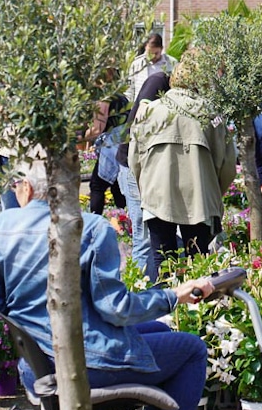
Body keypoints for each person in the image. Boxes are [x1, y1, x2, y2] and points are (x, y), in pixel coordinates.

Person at [0, 159, 214, 410]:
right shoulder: (90, 228)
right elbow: (116, 309)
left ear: (27, 188)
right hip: (85, 364)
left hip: (36, 366)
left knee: (159, 329)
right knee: (193, 349)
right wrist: (173, 296)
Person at [130, 51, 236, 282]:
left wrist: (145, 189)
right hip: (199, 197)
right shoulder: (212, 115)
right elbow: (227, 165)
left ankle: (162, 310)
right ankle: (197, 314)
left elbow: (134, 158)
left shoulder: (149, 110)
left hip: (157, 195)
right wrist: (214, 193)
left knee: (161, 258)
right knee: (198, 258)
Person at [116, 70, 171, 275]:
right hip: (132, 163)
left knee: (151, 234)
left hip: (147, 165)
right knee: (143, 235)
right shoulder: (158, 80)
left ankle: (148, 284)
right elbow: (140, 115)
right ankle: (138, 289)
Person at [83, 80, 128, 215]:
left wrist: (77, 137)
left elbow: (97, 129)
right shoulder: (117, 93)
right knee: (116, 185)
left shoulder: (104, 97)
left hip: (114, 144)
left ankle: (94, 222)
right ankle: (126, 222)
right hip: (124, 142)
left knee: (97, 185)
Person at [125, 33, 177, 101]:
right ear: (145, 48)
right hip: (140, 105)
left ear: (161, 49)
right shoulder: (136, 64)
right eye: (150, 53)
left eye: (156, 53)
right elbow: (130, 90)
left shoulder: (171, 63)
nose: (153, 56)